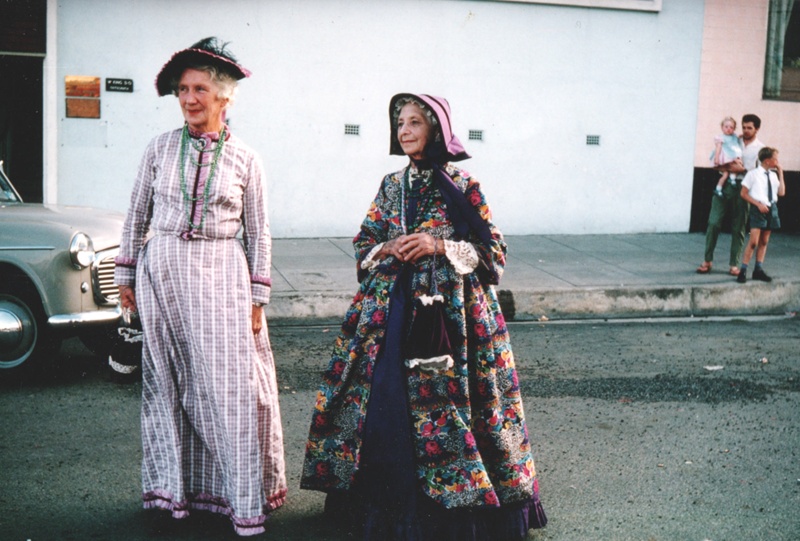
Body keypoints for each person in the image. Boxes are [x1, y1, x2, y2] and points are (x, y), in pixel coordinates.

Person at [300, 93, 547, 540]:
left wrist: (437, 246)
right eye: (400, 123)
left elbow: (493, 254)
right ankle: (382, 509)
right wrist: (390, 246)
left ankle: (461, 511)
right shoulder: (391, 185)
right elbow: (364, 243)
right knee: (382, 399)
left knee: (456, 402)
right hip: (389, 313)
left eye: (415, 122)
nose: (405, 130)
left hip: (451, 317)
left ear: (437, 129)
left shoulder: (463, 184)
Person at [114, 37, 286, 536]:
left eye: (200, 89)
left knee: (229, 388)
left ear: (224, 97)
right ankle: (175, 493)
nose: (190, 99)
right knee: (167, 383)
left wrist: (258, 297)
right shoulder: (159, 148)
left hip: (222, 277)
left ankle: (241, 500)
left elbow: (260, 231)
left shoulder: (247, 160)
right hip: (162, 273)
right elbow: (136, 216)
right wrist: (126, 277)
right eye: (182, 90)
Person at [697, 114, 765, 276]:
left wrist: (742, 170)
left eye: (750, 128)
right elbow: (716, 162)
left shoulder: (760, 148)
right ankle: (707, 261)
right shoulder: (732, 139)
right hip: (725, 184)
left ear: (757, 129)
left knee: (739, 227)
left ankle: (734, 264)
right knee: (713, 223)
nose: (746, 131)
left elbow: (760, 173)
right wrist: (725, 168)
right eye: (744, 127)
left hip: (744, 187)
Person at [736, 147, 785, 283]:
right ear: (768, 161)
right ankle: (743, 270)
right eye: (776, 159)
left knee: (764, 241)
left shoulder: (773, 175)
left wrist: (781, 173)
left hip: (771, 208)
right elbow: (743, 193)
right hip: (758, 209)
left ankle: (758, 269)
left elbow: (781, 193)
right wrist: (757, 204)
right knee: (753, 242)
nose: (778, 161)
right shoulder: (753, 174)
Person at [709, 116, 743, 197]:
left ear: (734, 129)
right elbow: (718, 148)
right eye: (726, 126)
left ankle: (729, 181)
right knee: (727, 171)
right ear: (722, 127)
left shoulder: (734, 136)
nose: (729, 129)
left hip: (732, 156)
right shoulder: (720, 137)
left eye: (731, 127)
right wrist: (716, 158)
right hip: (724, 157)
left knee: (734, 167)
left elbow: (737, 140)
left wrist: (742, 136)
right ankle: (723, 185)